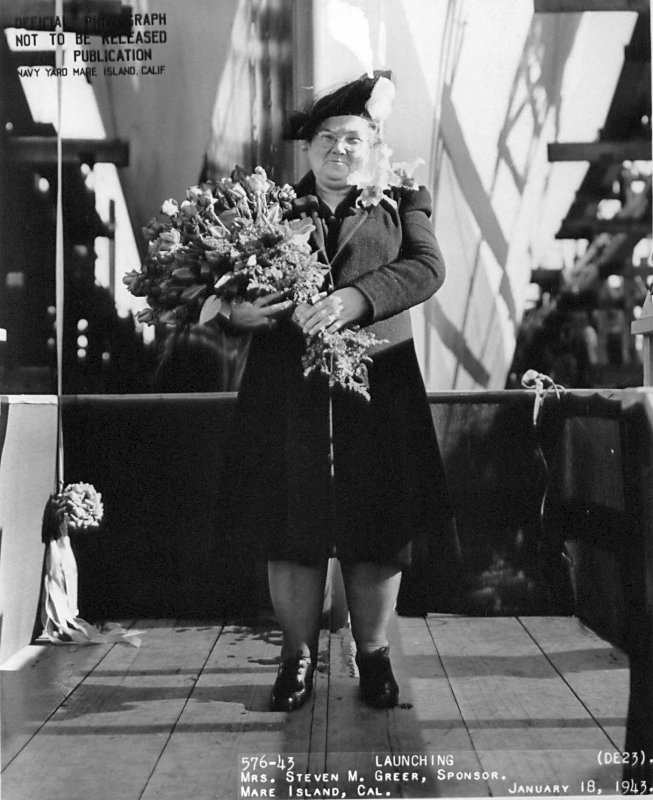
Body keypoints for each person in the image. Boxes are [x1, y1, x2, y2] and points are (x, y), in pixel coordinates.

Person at [213, 71, 454, 711]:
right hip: (286, 392)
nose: (338, 149)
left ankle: (373, 655)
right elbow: (226, 290)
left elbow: (427, 267)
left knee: (377, 528)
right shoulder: (268, 208)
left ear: (374, 145)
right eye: (325, 138)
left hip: (378, 385)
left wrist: (357, 299)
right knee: (290, 530)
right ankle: (296, 660)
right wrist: (237, 312)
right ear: (309, 148)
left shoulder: (403, 200)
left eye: (351, 138)